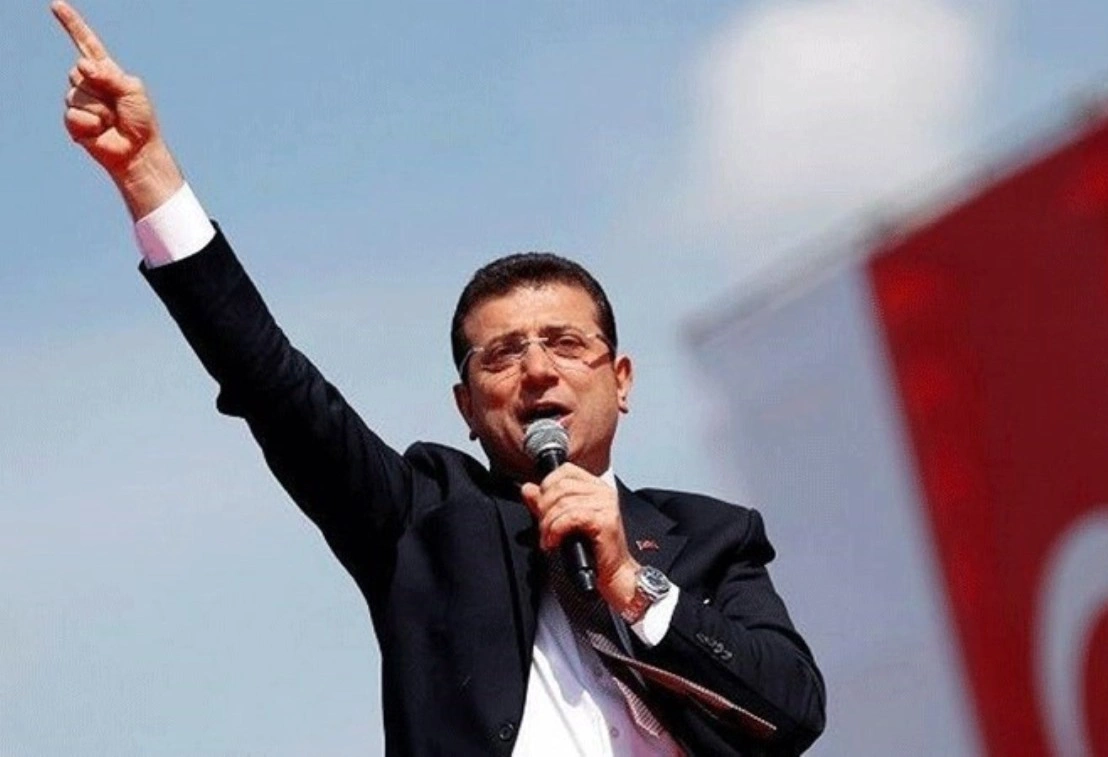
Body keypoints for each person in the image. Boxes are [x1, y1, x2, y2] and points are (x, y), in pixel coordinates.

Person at [52, 3, 826, 755]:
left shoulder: (713, 538)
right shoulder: (421, 520)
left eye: (565, 343)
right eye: (503, 355)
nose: (537, 370)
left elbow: (792, 713)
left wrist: (630, 579)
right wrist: (147, 174)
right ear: (466, 404)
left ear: (620, 379)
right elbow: (273, 386)